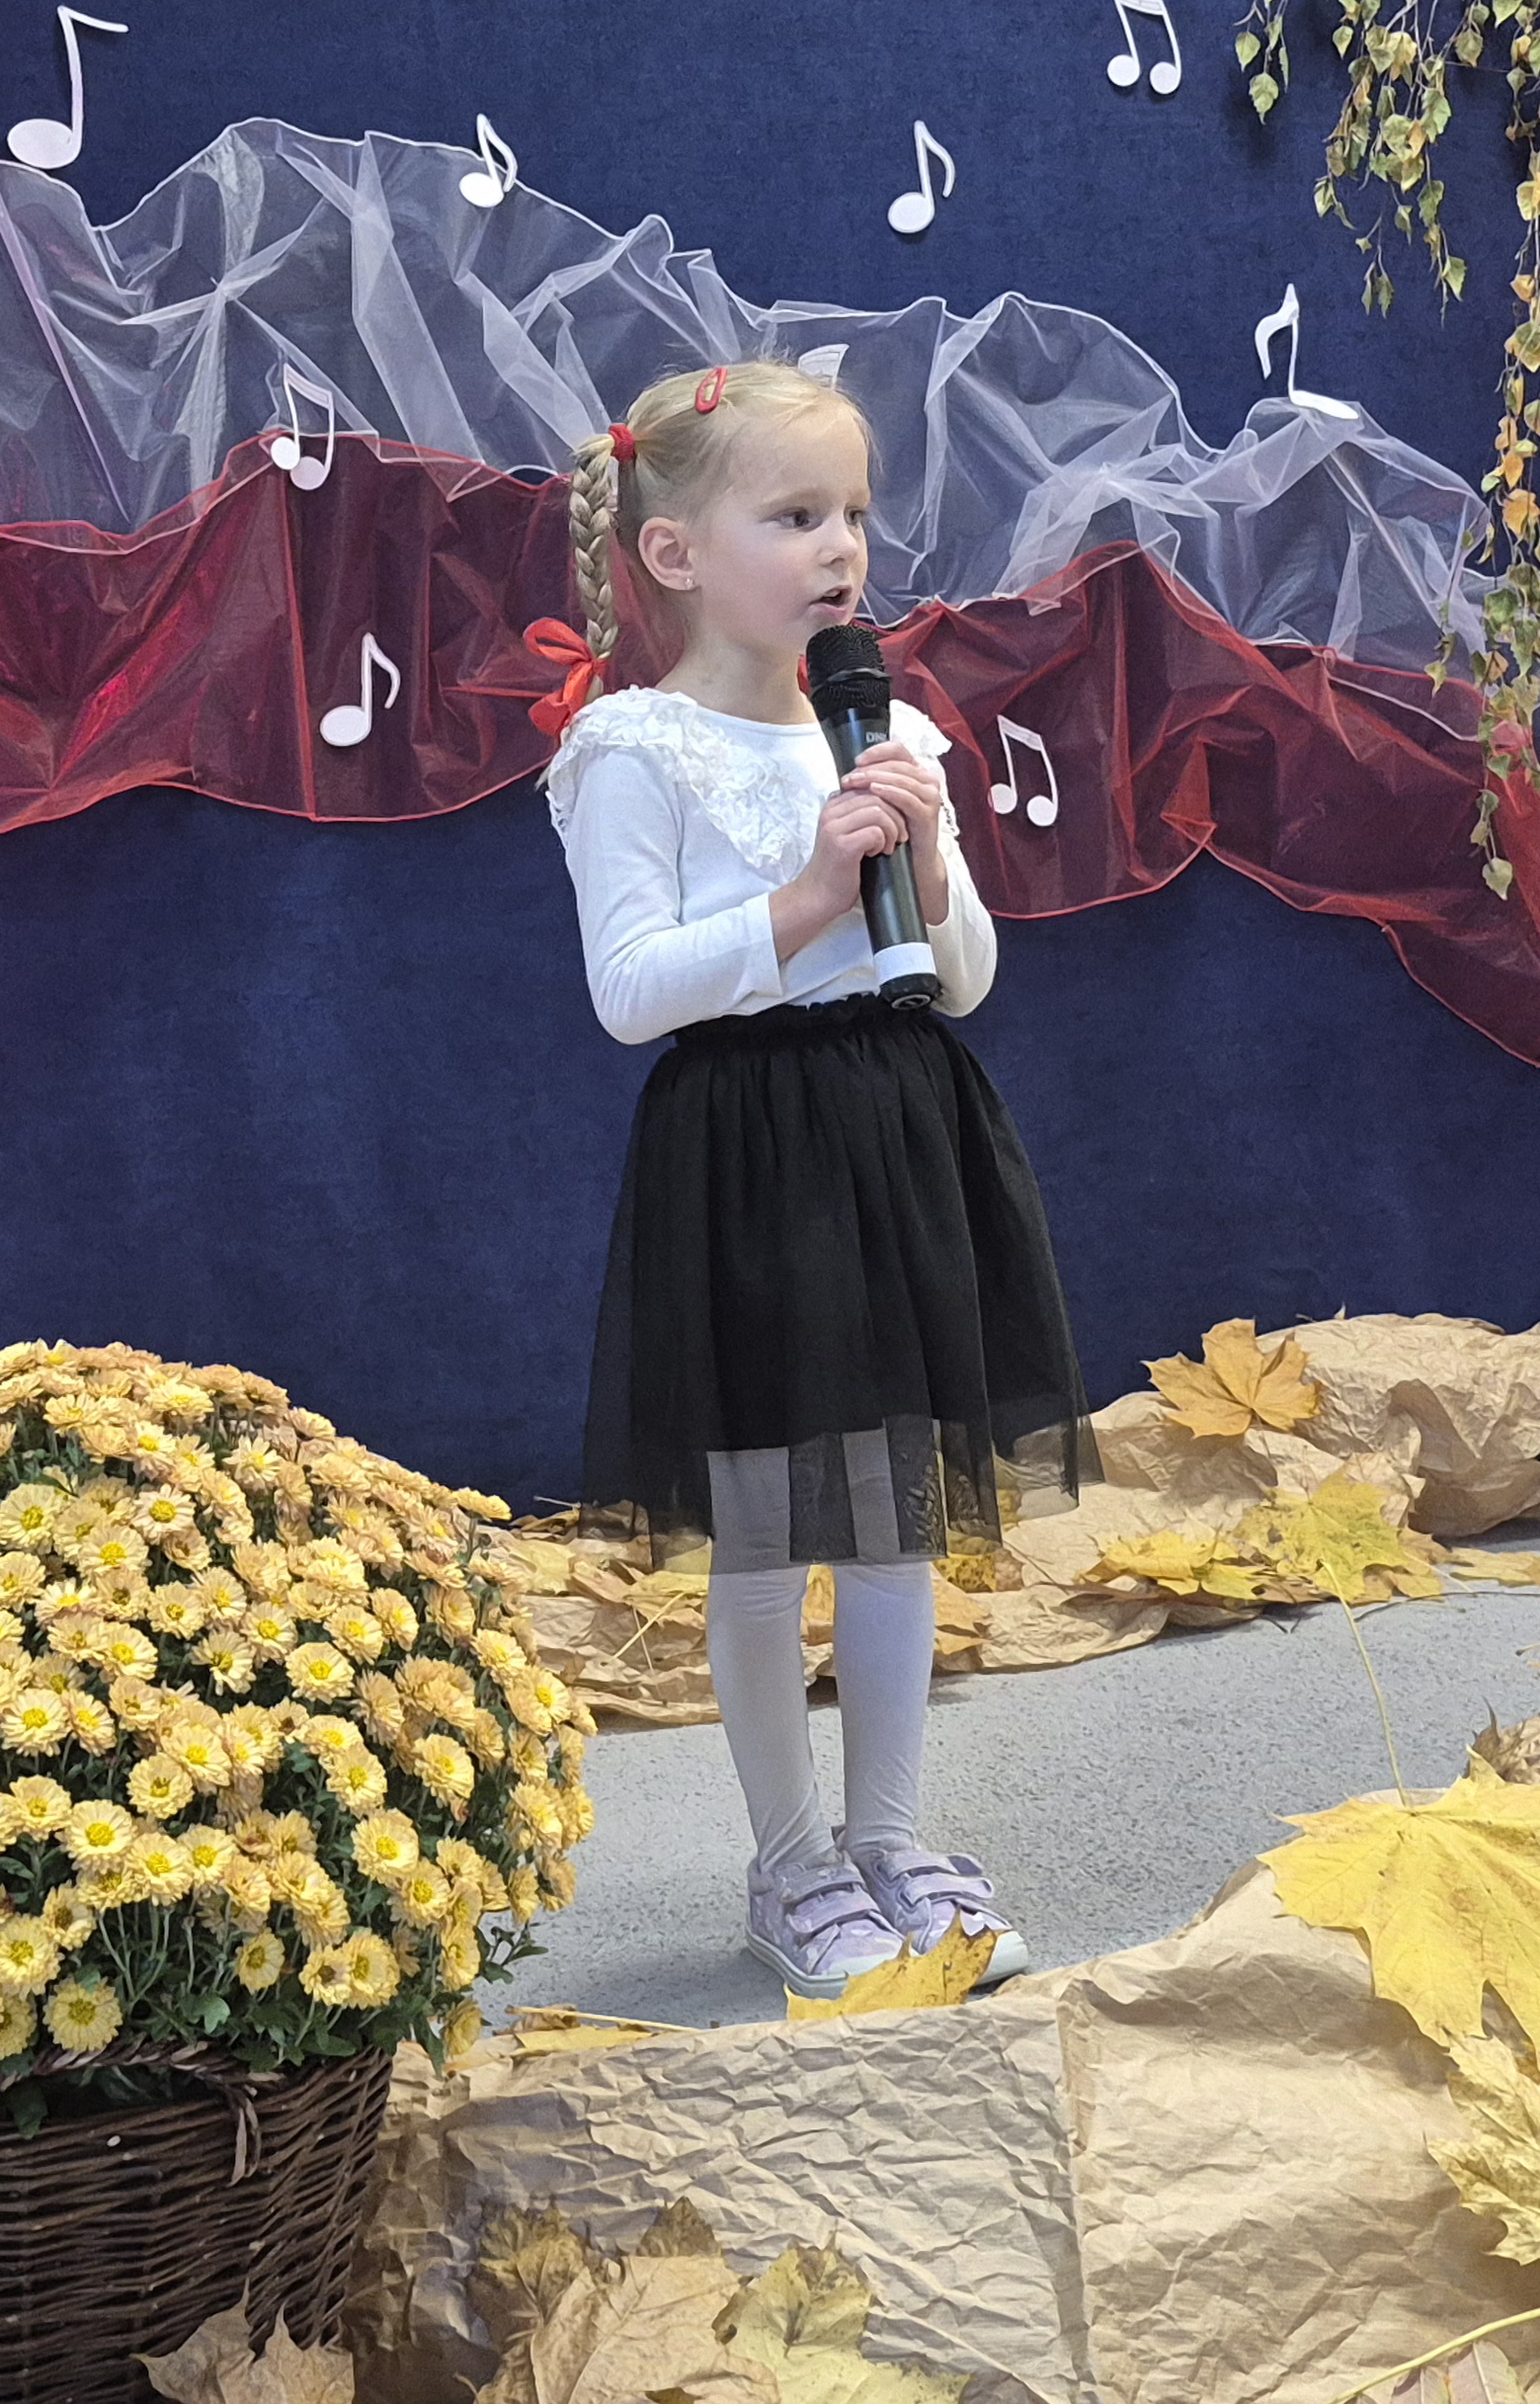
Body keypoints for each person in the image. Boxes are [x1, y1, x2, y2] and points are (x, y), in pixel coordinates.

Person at [541, 358, 1089, 2001]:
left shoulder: (892, 727)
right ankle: (789, 1863)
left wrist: (920, 858)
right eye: (793, 514)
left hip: (901, 1127)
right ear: (673, 553)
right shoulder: (631, 746)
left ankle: (890, 1838)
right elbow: (629, 989)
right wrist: (803, 895)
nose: (840, 546)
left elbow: (962, 976)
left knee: (897, 1520)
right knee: (770, 1536)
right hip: (753, 1152)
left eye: (852, 511)